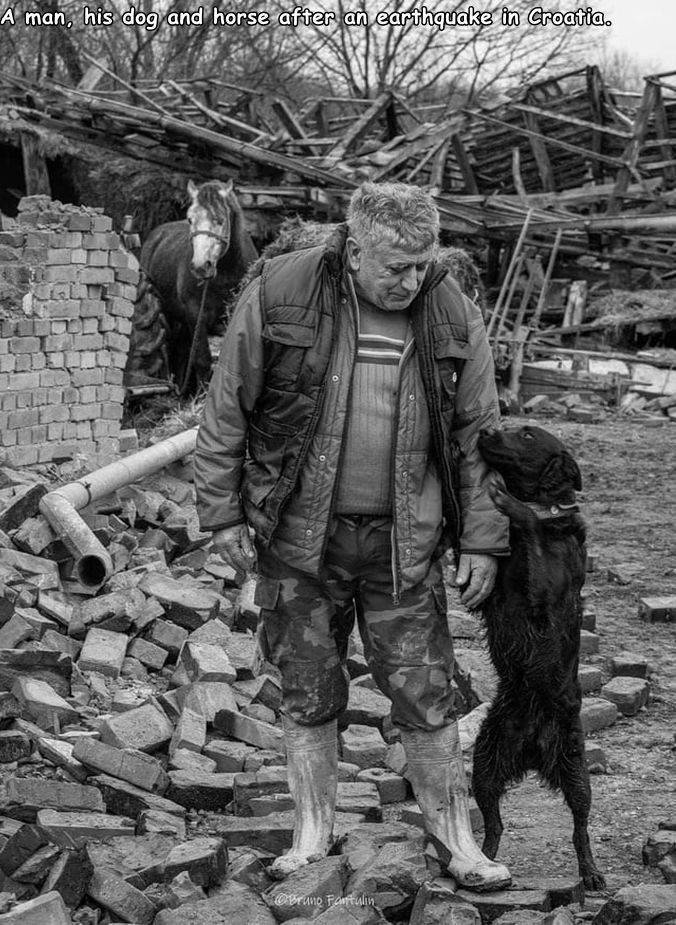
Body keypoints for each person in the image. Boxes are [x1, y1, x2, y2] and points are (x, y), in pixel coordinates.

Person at [194, 182, 511, 891]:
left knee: (427, 693)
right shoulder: (282, 290)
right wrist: (220, 515)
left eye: (422, 263)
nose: (411, 279)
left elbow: (477, 437)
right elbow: (226, 408)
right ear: (356, 244)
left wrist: (484, 540)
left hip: (405, 547)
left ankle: (455, 838)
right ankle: (312, 833)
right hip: (301, 542)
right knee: (308, 690)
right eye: (396, 265)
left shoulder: (450, 308)